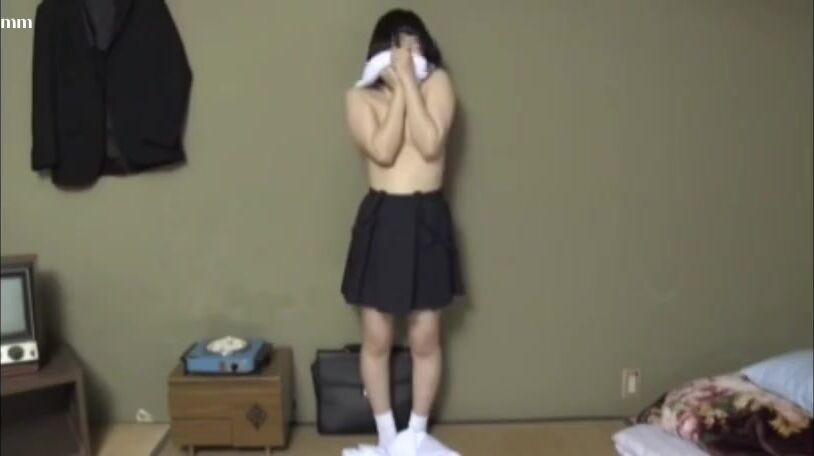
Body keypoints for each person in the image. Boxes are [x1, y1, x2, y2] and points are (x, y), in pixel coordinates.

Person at [340, 8, 464, 456]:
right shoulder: (358, 98)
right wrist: (394, 92)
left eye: (415, 45)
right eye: (398, 47)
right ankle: (388, 436)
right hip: (384, 217)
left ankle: (416, 434)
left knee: (425, 337)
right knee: (377, 338)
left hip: (427, 216)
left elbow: (430, 143)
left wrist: (410, 83)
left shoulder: (439, 85)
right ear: (380, 52)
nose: (408, 54)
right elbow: (383, 149)